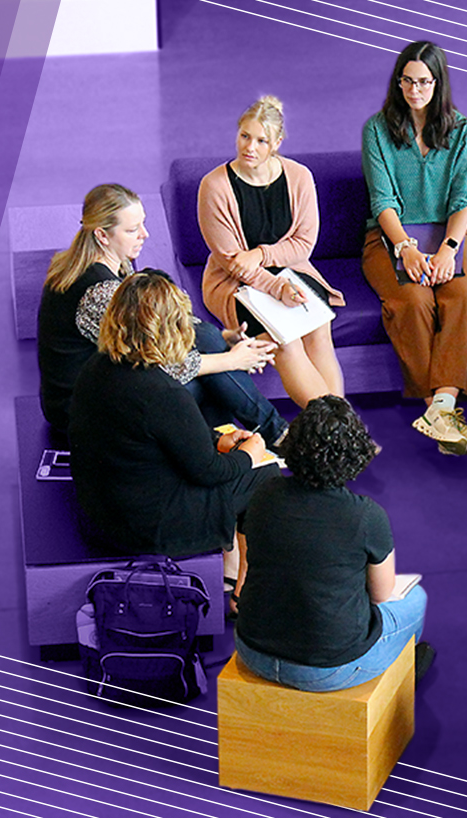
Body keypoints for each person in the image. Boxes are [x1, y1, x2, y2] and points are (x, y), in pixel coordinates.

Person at [38, 183, 284, 443]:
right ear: (102, 235)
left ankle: (244, 442)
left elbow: (156, 327)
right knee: (205, 381)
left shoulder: (107, 262)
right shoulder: (100, 294)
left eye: (142, 224)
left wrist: (224, 339)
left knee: (206, 336)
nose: (144, 234)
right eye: (132, 230)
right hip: (80, 410)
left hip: (104, 384)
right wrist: (231, 360)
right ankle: (267, 437)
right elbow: (152, 362)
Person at [68, 271, 276, 562]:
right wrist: (249, 456)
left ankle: (228, 565)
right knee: (266, 475)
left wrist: (216, 438)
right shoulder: (163, 392)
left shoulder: (96, 367)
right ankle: (240, 585)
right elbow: (208, 471)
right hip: (145, 530)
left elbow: (149, 435)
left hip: (101, 515)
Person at [234, 396, 434, 691]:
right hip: (326, 669)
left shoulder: (264, 492)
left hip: (252, 648)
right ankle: (402, 677)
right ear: (355, 453)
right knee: (416, 599)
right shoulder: (366, 515)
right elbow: (380, 595)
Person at [361, 40, 467, 456]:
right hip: (390, 239)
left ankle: (441, 410)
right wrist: (406, 249)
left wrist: (449, 249)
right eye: (407, 81)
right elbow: (383, 201)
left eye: (424, 82)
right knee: (414, 301)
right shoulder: (376, 130)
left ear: (439, 83)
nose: (414, 90)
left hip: (448, 236)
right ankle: (440, 412)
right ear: (398, 83)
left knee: (463, 296)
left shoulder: (463, 130)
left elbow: (462, 200)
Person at [198, 96, 346, 407]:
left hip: (295, 271)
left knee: (319, 330)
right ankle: (337, 429)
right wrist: (277, 286)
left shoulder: (300, 177)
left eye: (261, 140)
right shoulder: (214, 187)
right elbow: (234, 263)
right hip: (237, 283)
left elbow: (304, 244)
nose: (249, 147)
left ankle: (339, 428)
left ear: (276, 143)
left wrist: (261, 254)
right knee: (287, 341)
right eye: (244, 136)